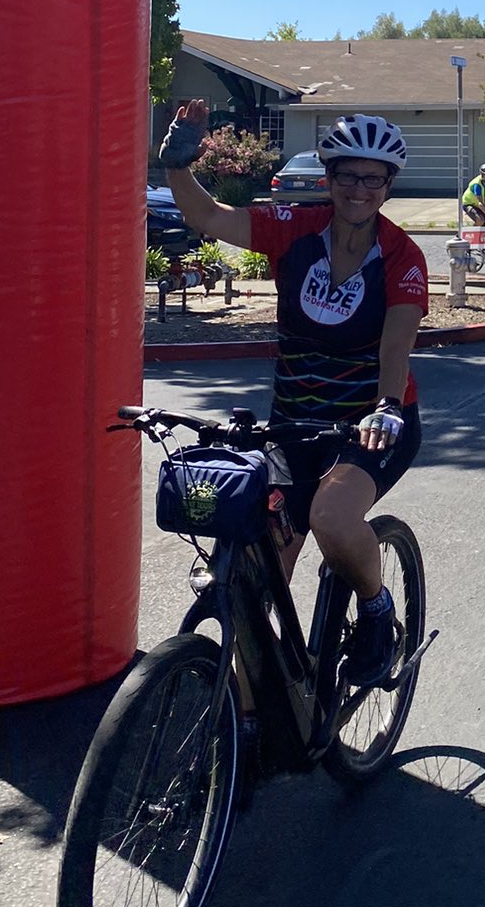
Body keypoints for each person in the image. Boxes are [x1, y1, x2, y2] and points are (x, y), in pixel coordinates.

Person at [159, 103, 428, 686]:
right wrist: (178, 167)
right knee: (257, 577)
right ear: (328, 179)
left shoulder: (403, 256)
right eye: (347, 175)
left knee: (330, 515)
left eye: (373, 177)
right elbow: (210, 218)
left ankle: (378, 614)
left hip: (372, 425)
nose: (359, 189)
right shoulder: (294, 228)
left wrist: (385, 406)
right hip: (293, 424)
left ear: (388, 185)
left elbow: (395, 344)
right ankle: (249, 723)